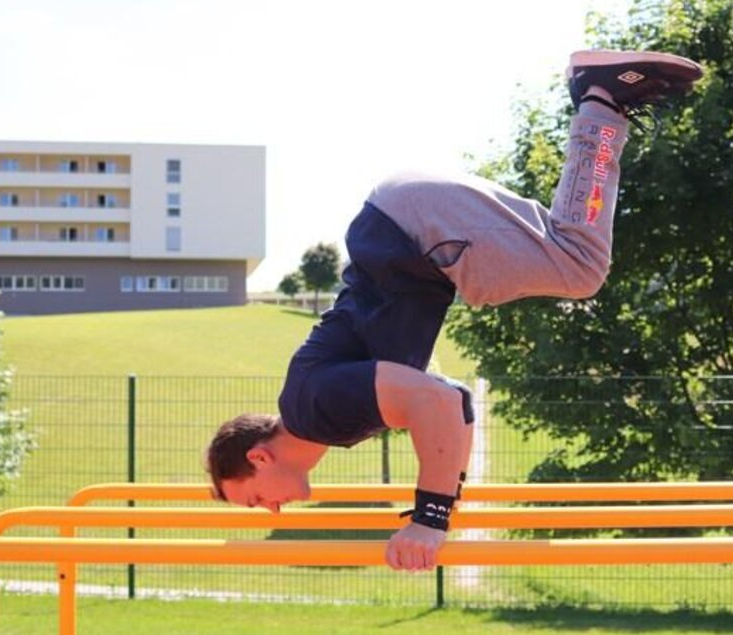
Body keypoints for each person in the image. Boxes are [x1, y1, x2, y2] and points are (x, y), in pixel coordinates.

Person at [206, 50, 704, 571]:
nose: (271, 510)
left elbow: (437, 403)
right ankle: (604, 102)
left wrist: (430, 518)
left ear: (259, 457)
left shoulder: (315, 413)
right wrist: (442, 503)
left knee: (578, 266)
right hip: (413, 226)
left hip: (415, 232)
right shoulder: (319, 412)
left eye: (254, 498)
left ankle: (600, 98)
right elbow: (456, 403)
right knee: (560, 256)